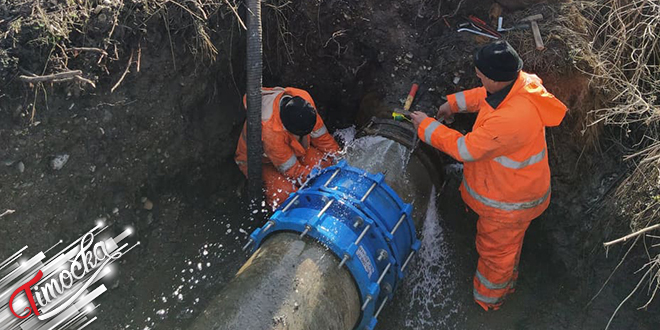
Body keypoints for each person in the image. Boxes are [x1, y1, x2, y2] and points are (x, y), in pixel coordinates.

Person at [410, 40, 567, 311]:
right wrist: (453, 104)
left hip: (508, 206)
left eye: (482, 75)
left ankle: (488, 303)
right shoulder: (521, 83)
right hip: (516, 191)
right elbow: (485, 94)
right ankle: (509, 280)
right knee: (508, 249)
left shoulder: (510, 120)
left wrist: (427, 126)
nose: (479, 78)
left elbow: (465, 148)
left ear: (496, 78)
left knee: (497, 254)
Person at [235, 87, 339, 208]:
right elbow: (291, 169)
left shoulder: (304, 101)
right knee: (286, 194)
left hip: (291, 149)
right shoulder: (270, 131)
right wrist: (313, 179)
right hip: (262, 162)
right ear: (288, 129)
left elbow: (322, 137)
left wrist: (338, 158)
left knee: (324, 165)